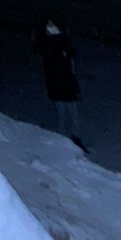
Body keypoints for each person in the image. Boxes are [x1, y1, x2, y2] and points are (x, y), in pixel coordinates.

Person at [34, 16, 85, 149]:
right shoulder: (48, 46)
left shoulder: (63, 45)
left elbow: (71, 64)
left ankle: (75, 138)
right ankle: (62, 140)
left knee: (72, 114)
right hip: (58, 84)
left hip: (66, 84)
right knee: (62, 114)